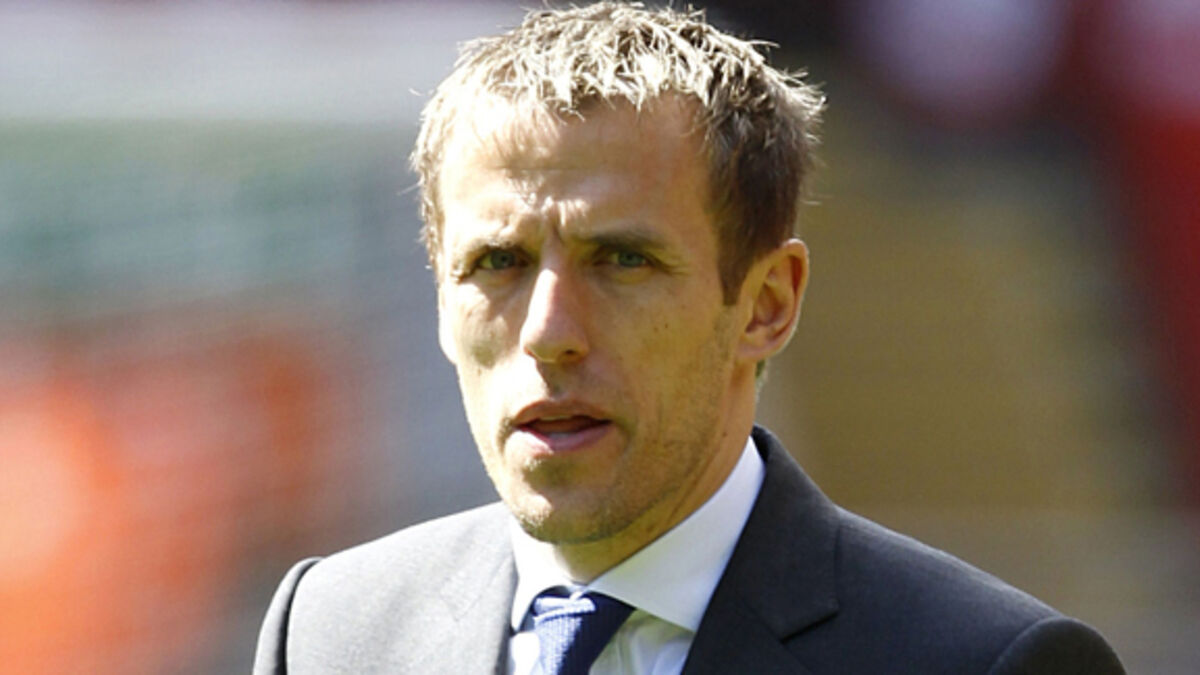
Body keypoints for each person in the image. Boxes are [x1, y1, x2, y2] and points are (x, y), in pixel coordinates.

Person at [253, 3, 1125, 673]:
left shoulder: (983, 661)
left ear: (766, 305)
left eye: (622, 259)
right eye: (497, 263)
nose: (549, 332)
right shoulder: (330, 630)